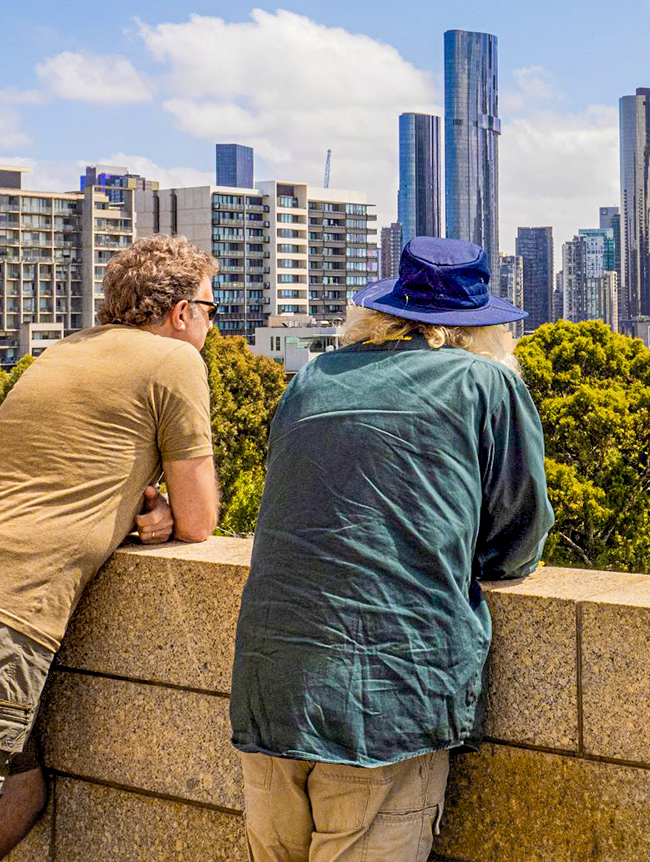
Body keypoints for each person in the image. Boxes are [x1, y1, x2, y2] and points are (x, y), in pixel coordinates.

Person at [0, 235, 221, 862]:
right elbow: (201, 521)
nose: (211, 322)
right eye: (211, 307)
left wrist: (140, 509)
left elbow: (59, 472)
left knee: (16, 793)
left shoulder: (68, 349)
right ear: (181, 312)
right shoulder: (175, 363)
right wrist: (168, 511)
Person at [231, 236, 553, 862]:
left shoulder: (313, 377)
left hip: (272, 684)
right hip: (386, 691)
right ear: (478, 327)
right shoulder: (484, 382)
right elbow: (518, 535)